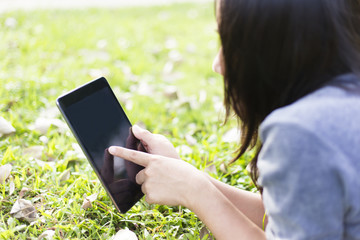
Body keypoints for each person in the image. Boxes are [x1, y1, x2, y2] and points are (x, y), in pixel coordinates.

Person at [109, 0, 360, 239]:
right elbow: (287, 219)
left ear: (269, 49)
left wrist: (195, 191)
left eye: (228, 43)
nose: (217, 64)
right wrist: (186, 175)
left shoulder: (302, 131)